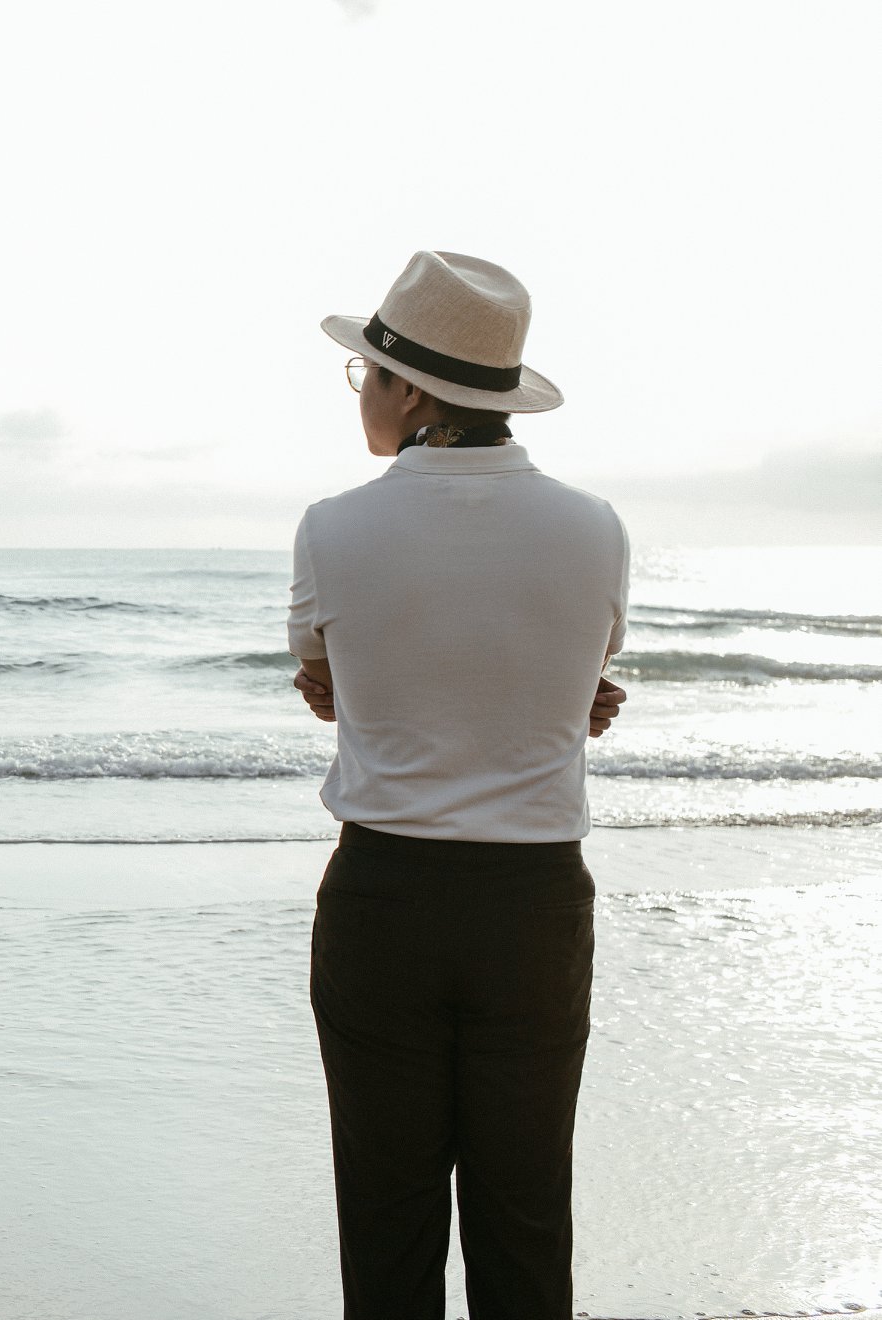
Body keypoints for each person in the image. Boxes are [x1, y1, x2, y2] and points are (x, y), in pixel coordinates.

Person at [287, 251, 629, 1318]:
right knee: (526, 1219)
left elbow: (333, 685)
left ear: (417, 392)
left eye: (369, 378)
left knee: (387, 1227)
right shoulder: (596, 529)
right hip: (532, 905)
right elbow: (572, 690)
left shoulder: (333, 527)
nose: (363, 397)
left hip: (385, 897)